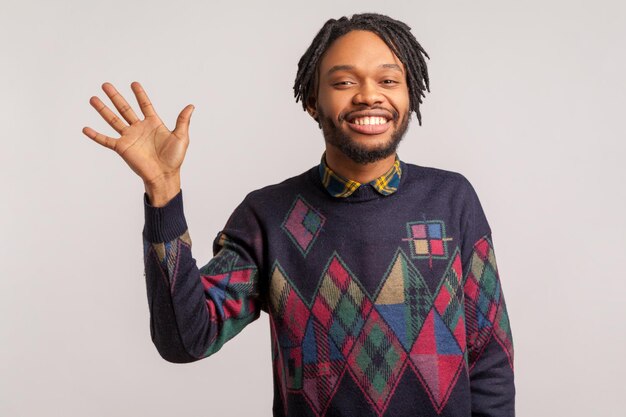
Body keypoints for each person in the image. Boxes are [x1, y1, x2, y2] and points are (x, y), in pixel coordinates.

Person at [83, 12, 515, 417]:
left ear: (409, 94)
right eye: (344, 81)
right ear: (312, 101)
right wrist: (164, 193)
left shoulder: (451, 199)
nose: (369, 95)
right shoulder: (268, 217)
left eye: (388, 79)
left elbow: (489, 355)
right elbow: (186, 338)